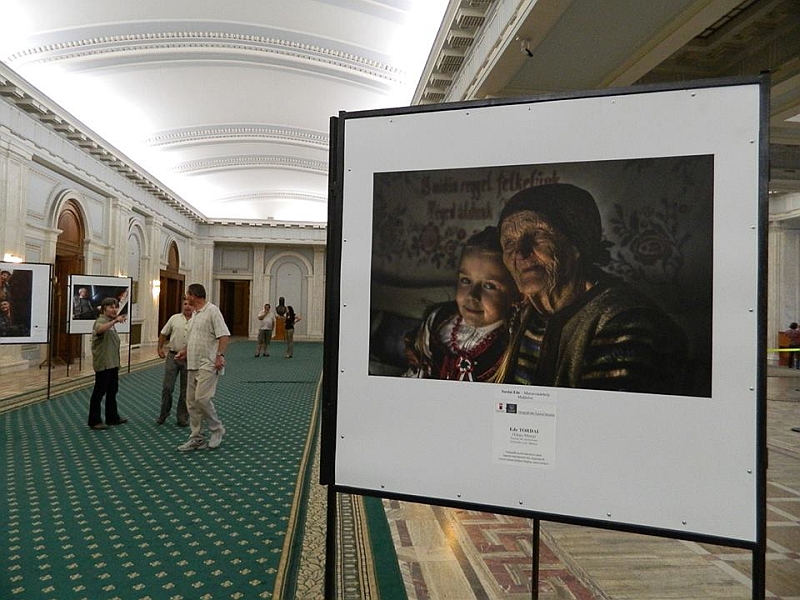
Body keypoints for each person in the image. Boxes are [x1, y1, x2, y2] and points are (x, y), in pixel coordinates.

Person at [495, 183, 687, 394]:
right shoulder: (526, 314)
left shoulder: (624, 322)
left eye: (538, 235)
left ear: (577, 245)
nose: (519, 253)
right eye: (509, 243)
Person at [404, 226, 519, 382]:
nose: (472, 295)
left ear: (515, 292)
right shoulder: (438, 320)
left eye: (489, 286)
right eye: (465, 280)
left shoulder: (512, 340)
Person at [175, 283, 230, 451]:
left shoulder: (212, 311)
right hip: (192, 363)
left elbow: (224, 335)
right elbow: (194, 338)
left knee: (202, 399)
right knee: (191, 403)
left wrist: (220, 355)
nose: (186, 297)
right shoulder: (195, 314)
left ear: (194, 295)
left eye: (187, 294)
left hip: (208, 363)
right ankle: (196, 437)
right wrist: (184, 351)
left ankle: (217, 429)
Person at [88, 297, 128, 430]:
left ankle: (112, 417)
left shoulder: (110, 322)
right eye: (111, 307)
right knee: (99, 392)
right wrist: (115, 320)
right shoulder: (101, 321)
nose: (114, 309)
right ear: (104, 308)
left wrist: (114, 321)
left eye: (116, 307)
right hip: (104, 363)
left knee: (112, 391)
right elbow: (99, 330)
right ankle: (94, 420)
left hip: (112, 363)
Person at [156, 299, 193, 426]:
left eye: (190, 304)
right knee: (167, 387)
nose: (187, 306)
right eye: (185, 304)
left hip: (189, 358)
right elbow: (163, 333)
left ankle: (182, 417)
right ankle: (164, 413)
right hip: (173, 356)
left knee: (186, 390)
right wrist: (160, 348)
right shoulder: (174, 318)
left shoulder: (198, 320)